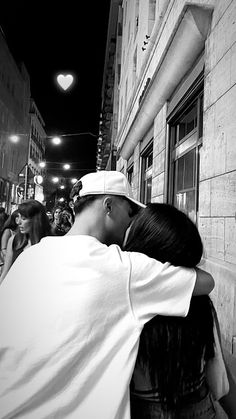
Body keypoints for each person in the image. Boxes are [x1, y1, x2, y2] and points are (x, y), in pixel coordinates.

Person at [0, 171, 214, 419]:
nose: (131, 221)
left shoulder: (30, 258)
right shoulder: (122, 268)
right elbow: (206, 282)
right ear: (109, 206)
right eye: (130, 212)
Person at [124, 203, 232, 418]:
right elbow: (218, 366)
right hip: (201, 405)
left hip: (140, 409)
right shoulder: (200, 303)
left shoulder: (126, 302)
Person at [0, 199, 51, 284]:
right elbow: (5, 272)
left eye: (23, 218)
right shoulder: (14, 240)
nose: (19, 222)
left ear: (36, 220)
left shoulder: (48, 243)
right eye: (18, 217)